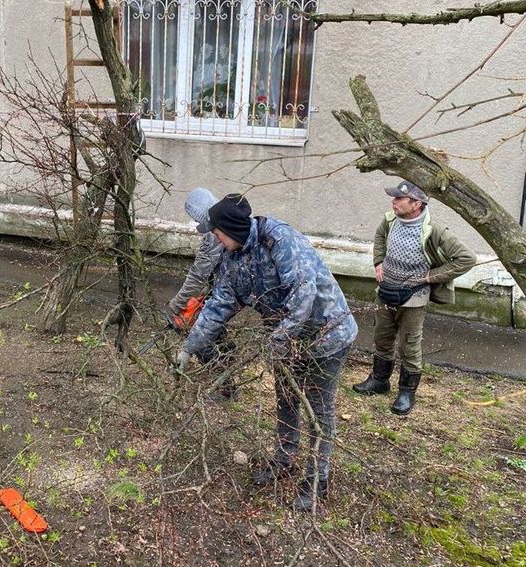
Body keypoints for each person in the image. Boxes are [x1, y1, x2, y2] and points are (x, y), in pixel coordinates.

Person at [175, 193, 358, 511]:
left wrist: (280, 339)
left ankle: (317, 480)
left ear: (230, 228)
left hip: (325, 335)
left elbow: (304, 290)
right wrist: (190, 347)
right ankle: (285, 458)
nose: (214, 239)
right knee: (286, 397)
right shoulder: (232, 259)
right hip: (285, 339)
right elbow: (219, 305)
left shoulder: (278, 238)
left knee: (318, 410)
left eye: (216, 233)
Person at [352, 181, 476, 416]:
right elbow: (379, 237)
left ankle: (407, 392)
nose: (394, 201)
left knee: (409, 345)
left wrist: (432, 276)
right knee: (382, 337)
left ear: (416, 204)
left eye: (399, 199)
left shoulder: (434, 231)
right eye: (394, 197)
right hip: (386, 291)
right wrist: (378, 262)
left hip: (414, 297)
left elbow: (466, 258)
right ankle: (379, 381)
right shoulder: (389, 221)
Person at [167, 188, 235, 401]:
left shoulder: (214, 235)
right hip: (229, 287)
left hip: (231, 290)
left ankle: (226, 388)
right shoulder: (227, 220)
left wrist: (178, 303)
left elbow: (199, 274)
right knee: (218, 330)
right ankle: (230, 362)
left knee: (201, 333)